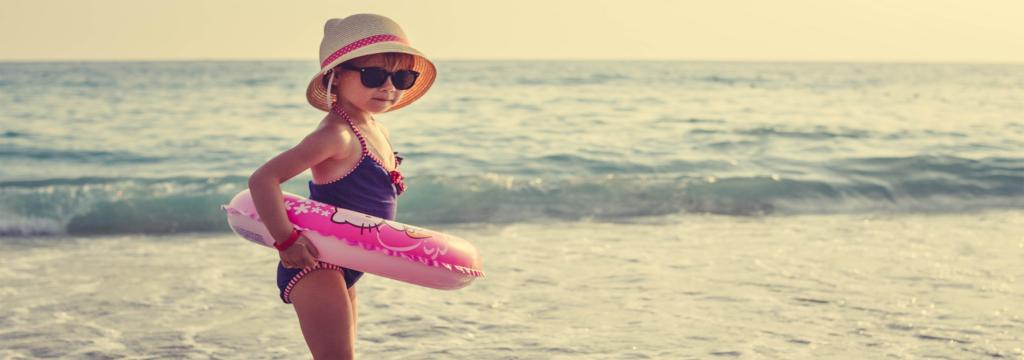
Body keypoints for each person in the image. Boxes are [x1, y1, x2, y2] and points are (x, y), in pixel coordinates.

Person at [247, 14, 436, 359]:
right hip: (317, 262)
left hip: (348, 258)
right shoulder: (336, 135)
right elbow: (263, 179)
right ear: (336, 77)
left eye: (402, 77)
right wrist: (286, 241)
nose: (389, 87)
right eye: (374, 75)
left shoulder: (374, 128)